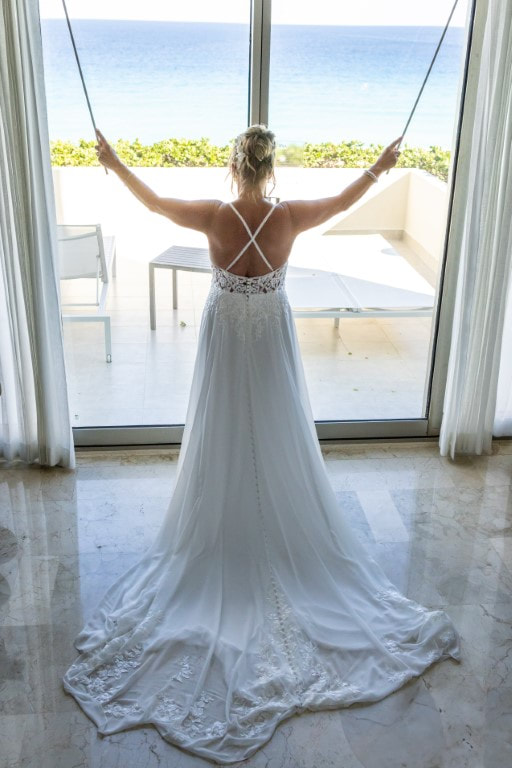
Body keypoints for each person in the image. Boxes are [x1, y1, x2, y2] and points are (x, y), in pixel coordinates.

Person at [63, 125, 460, 765]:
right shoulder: (290, 217)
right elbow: (345, 200)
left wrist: (112, 162)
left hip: (226, 333)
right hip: (270, 332)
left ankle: (226, 525)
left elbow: (154, 202)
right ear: (270, 169)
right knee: (275, 423)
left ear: (233, 167)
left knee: (224, 425)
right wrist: (381, 166)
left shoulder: (213, 216)